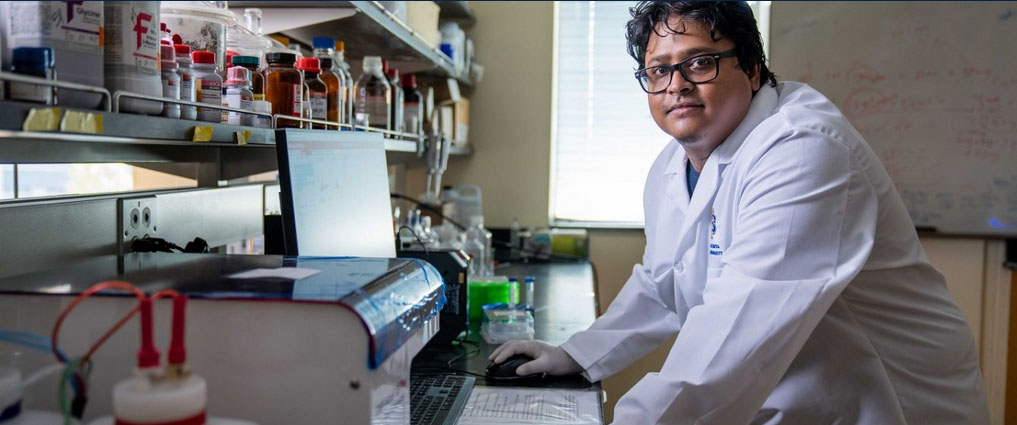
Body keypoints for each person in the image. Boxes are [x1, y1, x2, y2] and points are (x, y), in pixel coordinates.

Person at [489, 2, 990, 424]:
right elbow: (667, 284)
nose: (676, 85)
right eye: (658, 70)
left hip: (889, 401)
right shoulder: (673, 167)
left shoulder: (804, 149)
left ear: (751, 69)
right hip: (801, 395)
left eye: (700, 62)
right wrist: (576, 353)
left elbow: (735, 337)